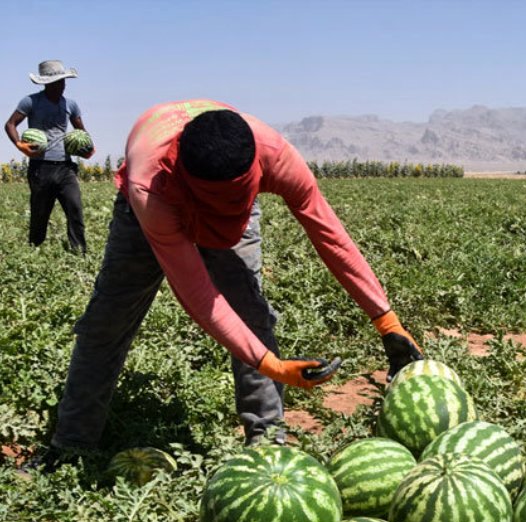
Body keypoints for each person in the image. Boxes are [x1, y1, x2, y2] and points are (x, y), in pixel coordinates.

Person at [31, 100, 423, 469]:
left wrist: (387, 323)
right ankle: (72, 444)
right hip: (156, 204)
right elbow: (200, 297)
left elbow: (330, 236)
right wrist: (272, 366)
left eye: (237, 200)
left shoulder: (275, 153)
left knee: (250, 313)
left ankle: (268, 447)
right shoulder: (151, 188)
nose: (226, 217)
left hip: (201, 183)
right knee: (108, 320)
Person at [5, 60, 94, 253]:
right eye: (56, 83)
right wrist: (21, 145)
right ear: (46, 83)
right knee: (40, 213)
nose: (61, 86)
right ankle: (34, 250)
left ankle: (80, 252)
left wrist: (88, 149)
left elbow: (82, 131)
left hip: (65, 167)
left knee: (75, 208)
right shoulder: (30, 101)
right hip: (40, 168)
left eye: (63, 82)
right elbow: (10, 124)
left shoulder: (71, 105)